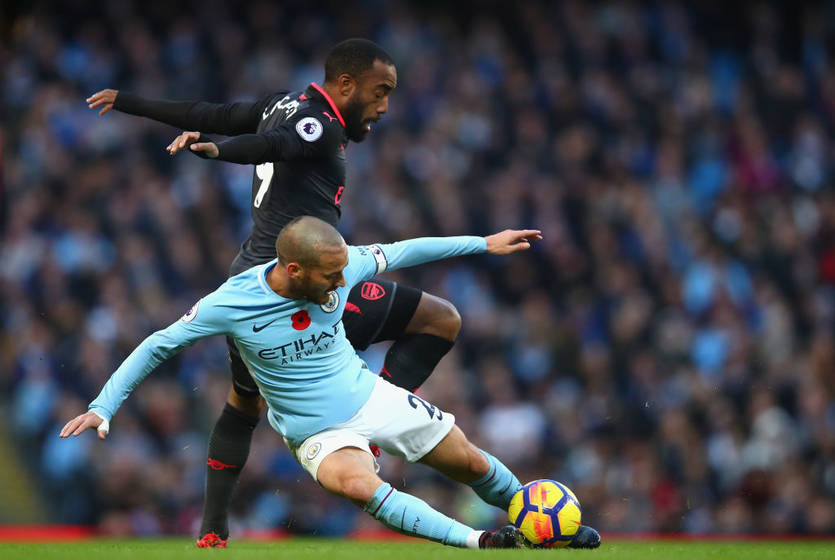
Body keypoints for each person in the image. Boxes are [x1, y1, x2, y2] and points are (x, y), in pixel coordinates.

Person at [87, 39, 463, 547]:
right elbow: (272, 146)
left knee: (243, 402)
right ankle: (374, 421)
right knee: (440, 319)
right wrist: (218, 151)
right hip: (301, 283)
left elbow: (213, 114)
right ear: (346, 85)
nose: (384, 107)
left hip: (253, 279)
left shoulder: (280, 103)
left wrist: (130, 102)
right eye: (380, 92)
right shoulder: (320, 125)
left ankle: (213, 527)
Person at [60, 216, 600, 549]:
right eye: (330, 276)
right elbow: (158, 343)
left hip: (371, 396)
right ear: (293, 269)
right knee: (361, 487)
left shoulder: (340, 266)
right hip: (317, 432)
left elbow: (407, 249)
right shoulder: (231, 303)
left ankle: (545, 527)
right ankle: (484, 542)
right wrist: (104, 405)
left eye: (344, 271)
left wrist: (483, 242)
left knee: (472, 464)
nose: (342, 282)